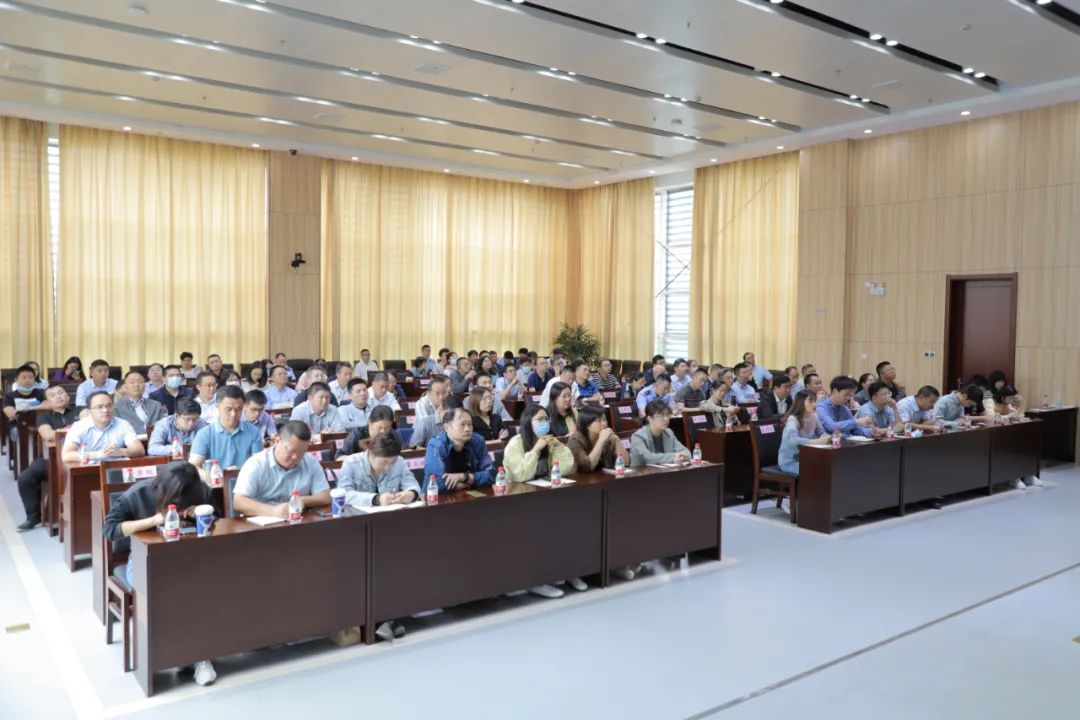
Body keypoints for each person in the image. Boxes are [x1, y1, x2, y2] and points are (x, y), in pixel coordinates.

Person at [102, 461, 219, 685]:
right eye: (176, 498)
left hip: (190, 558)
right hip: (144, 561)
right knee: (171, 593)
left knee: (206, 589)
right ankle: (189, 657)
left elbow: (217, 519)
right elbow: (110, 530)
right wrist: (154, 521)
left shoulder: (200, 491)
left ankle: (196, 655)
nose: (180, 502)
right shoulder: (138, 493)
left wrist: (198, 514)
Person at [500, 403, 579, 597]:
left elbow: (566, 468)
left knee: (572, 522)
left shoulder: (548, 441)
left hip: (545, 496)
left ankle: (566, 572)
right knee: (541, 530)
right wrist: (536, 449)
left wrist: (559, 447)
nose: (544, 423)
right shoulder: (516, 443)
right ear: (529, 422)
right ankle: (536, 580)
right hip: (519, 501)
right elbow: (520, 475)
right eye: (539, 420)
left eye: (546, 419)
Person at [14, 385, 82, 531]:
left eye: (61, 393)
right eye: (53, 395)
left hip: (79, 454)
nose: (58, 396)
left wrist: (61, 432)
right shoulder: (44, 417)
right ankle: (33, 517)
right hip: (50, 457)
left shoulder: (80, 410)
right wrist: (75, 429)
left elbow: (89, 423)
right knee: (25, 478)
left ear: (68, 396)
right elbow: (48, 435)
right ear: (47, 402)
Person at [233, 421, 331, 516]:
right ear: (277, 441)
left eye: (301, 453)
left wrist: (302, 501)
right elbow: (238, 502)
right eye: (291, 451)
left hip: (298, 520)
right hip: (262, 521)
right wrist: (273, 511)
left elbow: (325, 496)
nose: (295, 457)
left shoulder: (310, 462)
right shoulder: (256, 463)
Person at [189, 385, 263, 474]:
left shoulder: (253, 431)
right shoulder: (204, 434)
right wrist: (209, 476)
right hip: (214, 481)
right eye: (228, 409)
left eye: (238, 409)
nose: (233, 414)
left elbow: (259, 464)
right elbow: (193, 467)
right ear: (217, 407)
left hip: (246, 480)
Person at [422, 407, 495, 495]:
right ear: (447, 427)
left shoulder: (478, 441)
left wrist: (463, 477)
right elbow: (435, 483)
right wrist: (470, 483)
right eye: (462, 424)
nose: (467, 429)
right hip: (438, 500)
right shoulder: (436, 445)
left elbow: (491, 475)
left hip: (471, 496)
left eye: (470, 424)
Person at [62, 391, 145, 463]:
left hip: (115, 468)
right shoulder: (79, 427)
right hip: (88, 470)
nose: (105, 410)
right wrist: (97, 454)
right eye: (99, 407)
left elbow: (139, 450)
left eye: (109, 406)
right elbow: (66, 455)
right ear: (90, 411)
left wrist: (120, 451)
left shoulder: (123, 424)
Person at [778, 392, 830, 475]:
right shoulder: (792, 419)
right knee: (815, 471)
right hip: (790, 462)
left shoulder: (814, 416)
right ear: (801, 402)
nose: (814, 404)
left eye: (815, 401)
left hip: (806, 458)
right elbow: (792, 440)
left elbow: (821, 432)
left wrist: (829, 437)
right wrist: (818, 441)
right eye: (810, 401)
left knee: (827, 467)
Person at [630, 399, 690, 467]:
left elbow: (686, 452)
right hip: (642, 472)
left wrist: (682, 457)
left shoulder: (668, 433)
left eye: (667, 415)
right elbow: (647, 458)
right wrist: (673, 457)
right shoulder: (638, 436)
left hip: (666, 471)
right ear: (650, 419)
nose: (666, 419)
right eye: (661, 415)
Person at [566, 405, 625, 474]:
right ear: (587, 425)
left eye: (605, 420)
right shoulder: (575, 440)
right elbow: (587, 467)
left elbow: (626, 463)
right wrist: (601, 441)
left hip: (606, 478)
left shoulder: (609, 438)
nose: (604, 424)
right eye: (599, 420)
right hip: (583, 479)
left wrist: (617, 440)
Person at [112, 370, 167, 435]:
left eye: (140, 382)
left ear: (145, 385)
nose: (136, 385)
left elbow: (164, 427)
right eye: (132, 382)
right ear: (125, 386)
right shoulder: (117, 407)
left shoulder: (156, 405)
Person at [3, 366, 45, 431]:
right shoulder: (9, 396)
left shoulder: (41, 393)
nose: (27, 380)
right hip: (17, 426)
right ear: (16, 380)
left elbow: (49, 405)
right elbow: (10, 413)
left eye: (31, 377)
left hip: (39, 425)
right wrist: (35, 406)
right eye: (24, 377)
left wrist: (25, 407)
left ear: (34, 380)